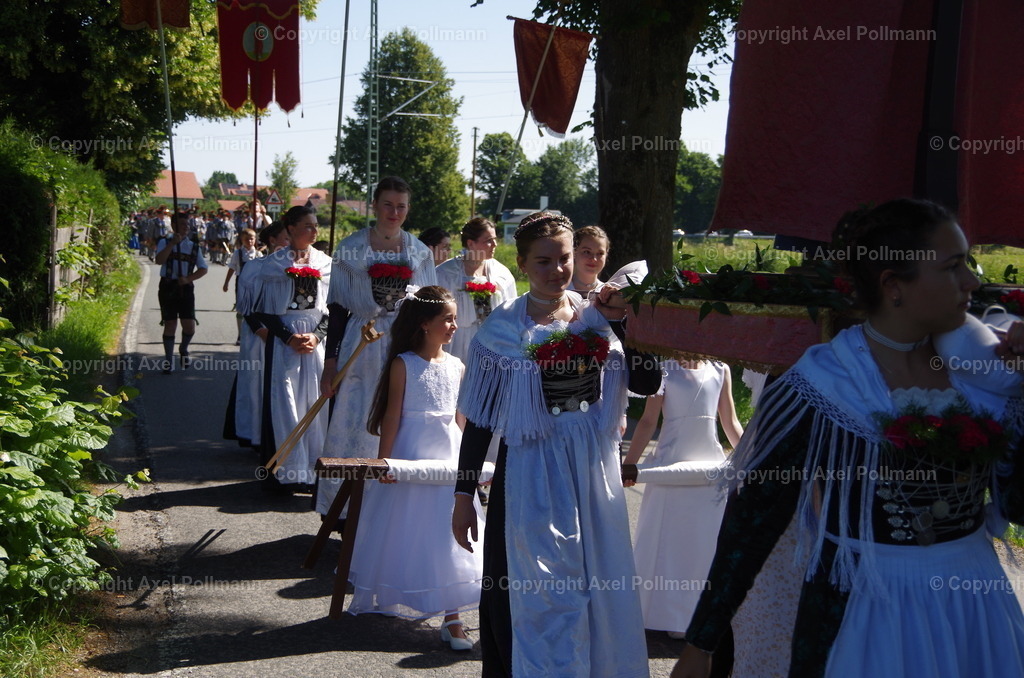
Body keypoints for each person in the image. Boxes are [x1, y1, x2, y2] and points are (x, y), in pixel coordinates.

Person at [672, 198, 1024, 678]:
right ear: (894, 286)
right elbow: (752, 523)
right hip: (863, 609)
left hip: (973, 601)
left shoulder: (984, 377)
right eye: (953, 267)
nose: (972, 282)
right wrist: (701, 643)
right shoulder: (822, 385)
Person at [452, 212, 651, 678]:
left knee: (598, 584)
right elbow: (480, 424)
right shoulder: (500, 331)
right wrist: (463, 496)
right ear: (521, 264)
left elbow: (646, 380)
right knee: (529, 591)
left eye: (564, 258)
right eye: (543, 262)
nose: (556, 270)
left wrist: (630, 320)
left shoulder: (596, 317)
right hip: (529, 477)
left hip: (592, 474)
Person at [347, 285, 484, 649]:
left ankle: (452, 617)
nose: (455, 325)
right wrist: (386, 461)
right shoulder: (403, 364)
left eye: (455, 318)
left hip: (448, 456)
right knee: (408, 527)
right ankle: (402, 591)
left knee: (448, 530)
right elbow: (392, 415)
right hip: (410, 451)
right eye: (448, 319)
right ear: (425, 324)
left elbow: (460, 422)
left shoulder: (457, 365)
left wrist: (468, 471)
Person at [317, 176, 437, 515]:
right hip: (361, 347)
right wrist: (331, 364)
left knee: (398, 420)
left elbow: (429, 309)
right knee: (356, 422)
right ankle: (345, 510)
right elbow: (338, 309)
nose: (394, 212)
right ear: (375, 206)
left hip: (403, 347)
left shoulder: (418, 252)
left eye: (401, 206)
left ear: (408, 209)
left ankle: (391, 509)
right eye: (387, 204)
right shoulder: (351, 248)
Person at [623, 359, 743, 639]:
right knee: (668, 540)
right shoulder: (662, 370)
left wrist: (753, 455)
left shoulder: (721, 369)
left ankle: (695, 615)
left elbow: (730, 421)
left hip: (708, 471)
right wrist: (630, 464)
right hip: (669, 465)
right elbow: (649, 420)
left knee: (703, 542)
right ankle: (662, 612)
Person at [250, 207, 331, 490]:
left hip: (314, 345)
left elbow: (333, 309)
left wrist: (317, 335)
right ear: (292, 229)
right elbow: (262, 310)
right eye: (307, 226)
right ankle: (286, 469)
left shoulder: (325, 263)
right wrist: (287, 336)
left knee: (315, 402)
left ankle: (314, 466)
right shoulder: (273, 265)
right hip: (286, 344)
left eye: (316, 226)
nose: (314, 231)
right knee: (285, 401)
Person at [224, 222, 289, 449]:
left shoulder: (295, 268)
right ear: (273, 241)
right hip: (258, 335)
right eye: (286, 238)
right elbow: (246, 305)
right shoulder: (256, 268)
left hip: (284, 336)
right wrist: (260, 329)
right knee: (256, 383)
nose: (290, 244)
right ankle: (255, 434)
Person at [435, 217, 518, 362]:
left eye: (495, 239)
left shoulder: (501, 273)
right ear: (471, 243)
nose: (495, 244)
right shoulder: (446, 273)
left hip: (492, 344)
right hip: (457, 344)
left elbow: (512, 314)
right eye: (488, 240)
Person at [154, 211, 208, 374]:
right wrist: (172, 244)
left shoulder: (193, 246)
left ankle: (184, 348)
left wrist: (188, 278)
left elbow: (203, 269)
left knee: (189, 326)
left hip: (185, 288)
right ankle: (168, 361)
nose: (186, 227)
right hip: (168, 286)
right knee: (170, 323)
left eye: (187, 224)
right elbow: (159, 261)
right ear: (174, 225)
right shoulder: (164, 242)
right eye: (182, 224)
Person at [224, 228, 260, 344]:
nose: (249, 241)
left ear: (255, 239)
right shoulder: (238, 253)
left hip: (255, 284)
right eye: (246, 239)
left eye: (251, 239)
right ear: (242, 240)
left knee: (255, 309)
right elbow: (232, 267)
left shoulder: (258, 254)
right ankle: (240, 335)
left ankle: (254, 332)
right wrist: (226, 282)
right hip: (241, 283)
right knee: (241, 309)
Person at [569, 225, 610, 297]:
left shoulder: (608, 294)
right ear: (574, 252)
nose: (594, 259)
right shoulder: (560, 290)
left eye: (600, 253)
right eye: (587, 252)